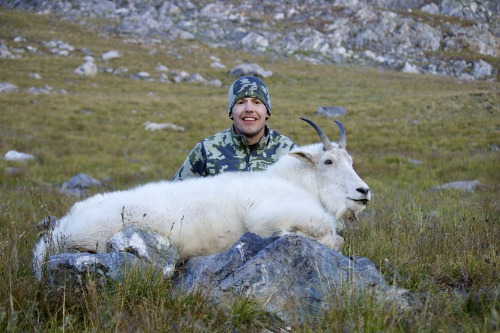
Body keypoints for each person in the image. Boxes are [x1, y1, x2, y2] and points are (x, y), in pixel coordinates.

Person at [172, 75, 295, 181]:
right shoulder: (207, 150)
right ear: (231, 112)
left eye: (256, 102)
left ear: (267, 112)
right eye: (241, 102)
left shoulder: (289, 152)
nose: (249, 109)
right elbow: (174, 197)